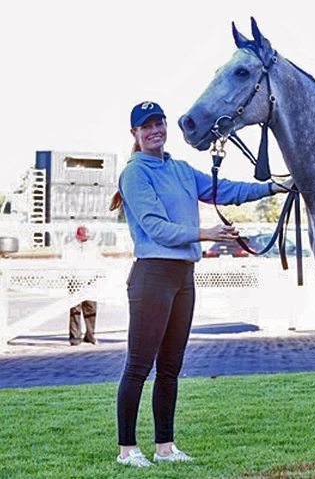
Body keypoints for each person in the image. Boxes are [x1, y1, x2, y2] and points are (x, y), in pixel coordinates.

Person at [112, 101, 292, 467]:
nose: (154, 131)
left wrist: (274, 187)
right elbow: (155, 227)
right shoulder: (135, 173)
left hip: (182, 277)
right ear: (135, 134)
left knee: (170, 367)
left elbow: (223, 190)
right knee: (138, 366)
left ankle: (165, 448)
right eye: (146, 126)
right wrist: (206, 233)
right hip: (152, 276)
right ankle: (127, 450)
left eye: (158, 123)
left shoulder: (180, 169)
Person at [65, 226, 99, 346]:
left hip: (90, 280)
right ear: (77, 236)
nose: (85, 241)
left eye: (86, 238)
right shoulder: (70, 247)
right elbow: (67, 263)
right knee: (75, 309)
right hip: (75, 280)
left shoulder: (92, 247)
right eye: (83, 238)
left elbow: (97, 261)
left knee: (91, 309)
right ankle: (75, 337)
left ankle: (90, 334)